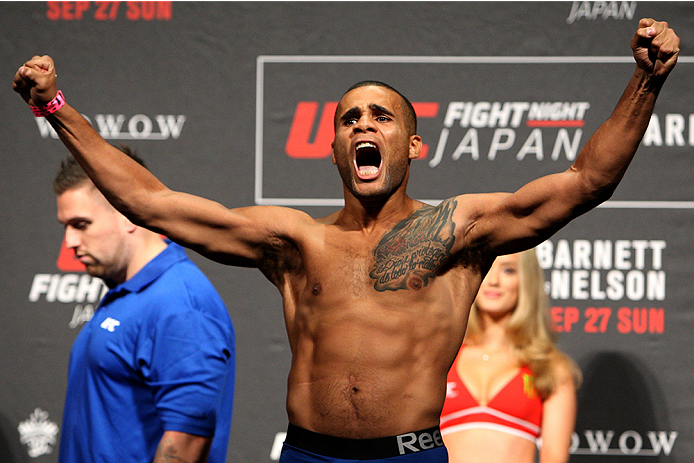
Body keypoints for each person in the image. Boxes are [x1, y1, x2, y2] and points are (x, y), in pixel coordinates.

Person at [13, 18, 678, 463]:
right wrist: (54, 107)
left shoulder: (458, 230)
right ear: (334, 148)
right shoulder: (294, 241)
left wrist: (647, 80)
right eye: (349, 118)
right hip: (306, 453)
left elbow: (587, 179)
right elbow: (149, 201)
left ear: (413, 144)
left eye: (380, 116)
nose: (364, 123)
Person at [51, 150, 236, 463]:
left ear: (128, 211)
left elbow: (187, 442)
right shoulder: (128, 291)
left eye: (81, 224)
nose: (69, 241)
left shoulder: (179, 305)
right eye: (66, 226)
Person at [440, 249, 580, 463]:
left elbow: (554, 456)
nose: (493, 280)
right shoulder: (440, 358)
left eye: (508, 270)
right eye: (486, 268)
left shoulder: (550, 367)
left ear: (526, 280)